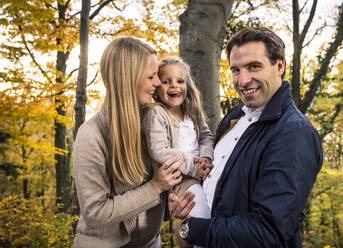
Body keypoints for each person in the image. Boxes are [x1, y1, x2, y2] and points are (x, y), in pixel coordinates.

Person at [169, 27, 323, 247]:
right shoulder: (233, 118)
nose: (242, 81)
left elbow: (269, 230)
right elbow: (217, 186)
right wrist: (187, 202)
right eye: (235, 70)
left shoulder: (294, 134)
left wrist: (192, 230)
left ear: (279, 66)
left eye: (254, 67)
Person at [73, 36, 185, 248]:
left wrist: (176, 199)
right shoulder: (91, 135)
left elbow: (171, 180)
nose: (158, 83)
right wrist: (156, 187)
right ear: (128, 79)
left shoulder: (156, 122)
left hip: (151, 242)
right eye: (151, 76)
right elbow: (96, 213)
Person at [142, 56, 214, 221]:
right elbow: (159, 151)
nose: (174, 85)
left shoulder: (193, 111)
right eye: (166, 82)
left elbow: (206, 137)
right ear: (157, 88)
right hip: (181, 178)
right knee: (200, 212)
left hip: (204, 169)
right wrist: (193, 167)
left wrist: (205, 157)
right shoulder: (157, 113)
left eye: (180, 81)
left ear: (187, 85)